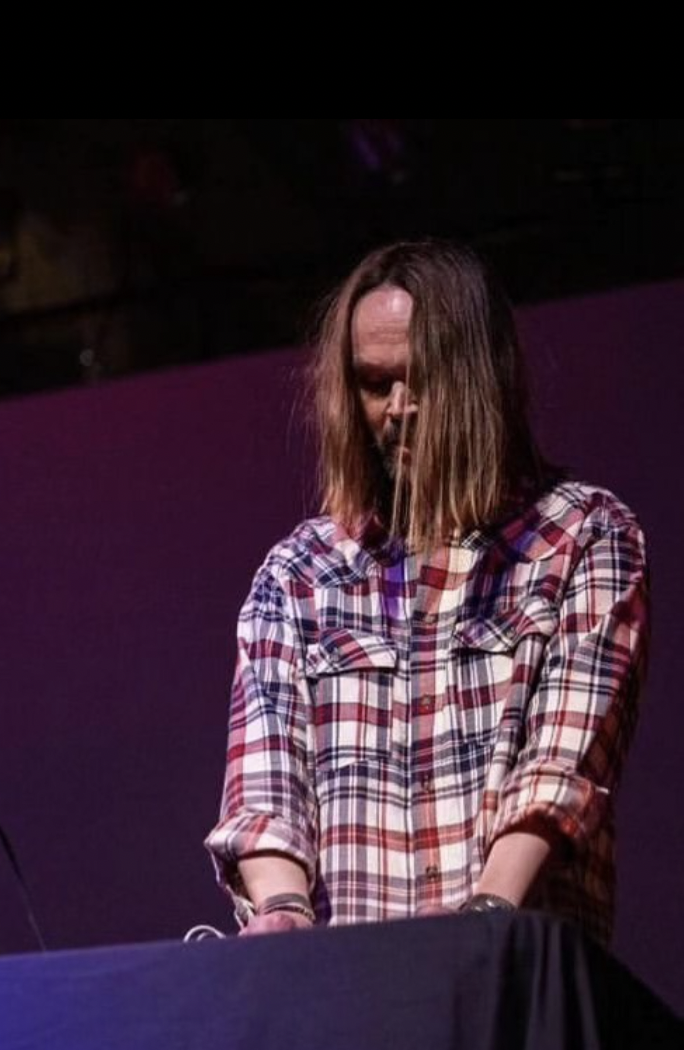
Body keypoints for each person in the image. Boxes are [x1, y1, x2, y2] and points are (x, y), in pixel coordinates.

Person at [205, 239, 648, 942]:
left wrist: (484, 917)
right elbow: (264, 789)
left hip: (513, 982)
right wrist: (281, 909)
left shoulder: (582, 536)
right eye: (375, 385)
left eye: (421, 380)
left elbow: (562, 767)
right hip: (346, 998)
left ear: (482, 376)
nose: (398, 407)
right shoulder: (300, 572)